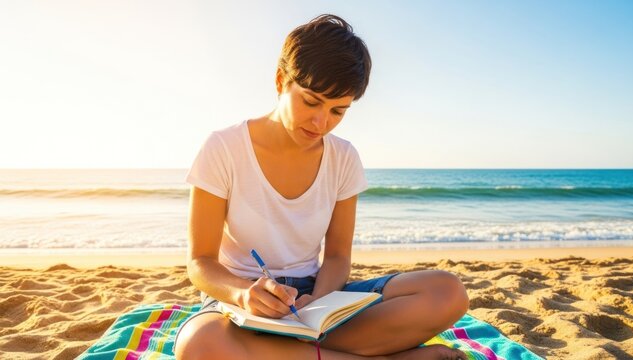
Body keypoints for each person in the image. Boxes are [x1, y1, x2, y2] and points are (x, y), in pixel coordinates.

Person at [174, 14, 469, 360]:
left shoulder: (343, 158)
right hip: (242, 299)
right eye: (311, 101)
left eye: (338, 111)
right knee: (198, 343)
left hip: (318, 296)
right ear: (281, 80)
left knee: (447, 292)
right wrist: (242, 294)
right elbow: (201, 262)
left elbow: (339, 256)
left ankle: (283, 350)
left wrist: (320, 303)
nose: (321, 122)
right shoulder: (223, 148)